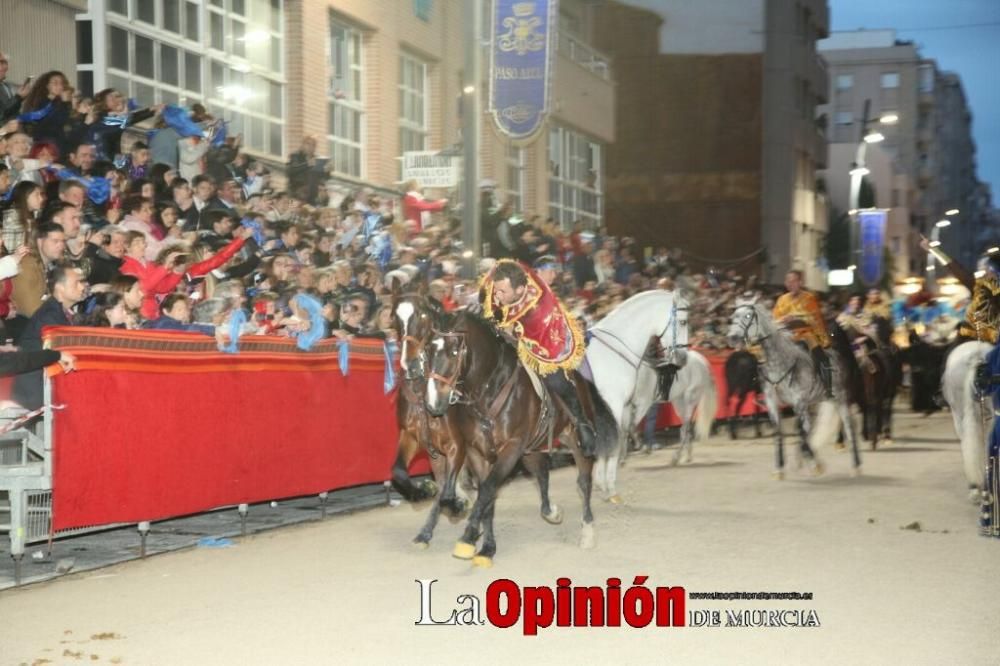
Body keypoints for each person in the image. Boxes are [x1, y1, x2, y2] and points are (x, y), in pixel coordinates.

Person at [479, 258, 596, 457]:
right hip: (514, 335)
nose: (497, 295)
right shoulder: (515, 280)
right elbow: (505, 270)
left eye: (502, 292)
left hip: (543, 341)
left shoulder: (537, 306)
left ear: (519, 290)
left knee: (556, 379)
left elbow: (518, 329)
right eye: (497, 290)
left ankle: (582, 423)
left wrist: (506, 328)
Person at [14, 262, 85, 409]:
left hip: (47, 386)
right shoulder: (50, 317)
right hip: (37, 391)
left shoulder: (60, 313)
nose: (82, 287)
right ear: (60, 288)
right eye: (77, 283)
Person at [772, 269, 833, 397]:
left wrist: (796, 318)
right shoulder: (781, 300)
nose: (791, 284)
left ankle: (827, 387)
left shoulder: (809, 298)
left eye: (794, 281)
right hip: (787, 335)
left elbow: (814, 318)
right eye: (788, 281)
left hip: (806, 334)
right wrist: (782, 320)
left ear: (800, 282)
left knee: (821, 356)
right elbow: (775, 320)